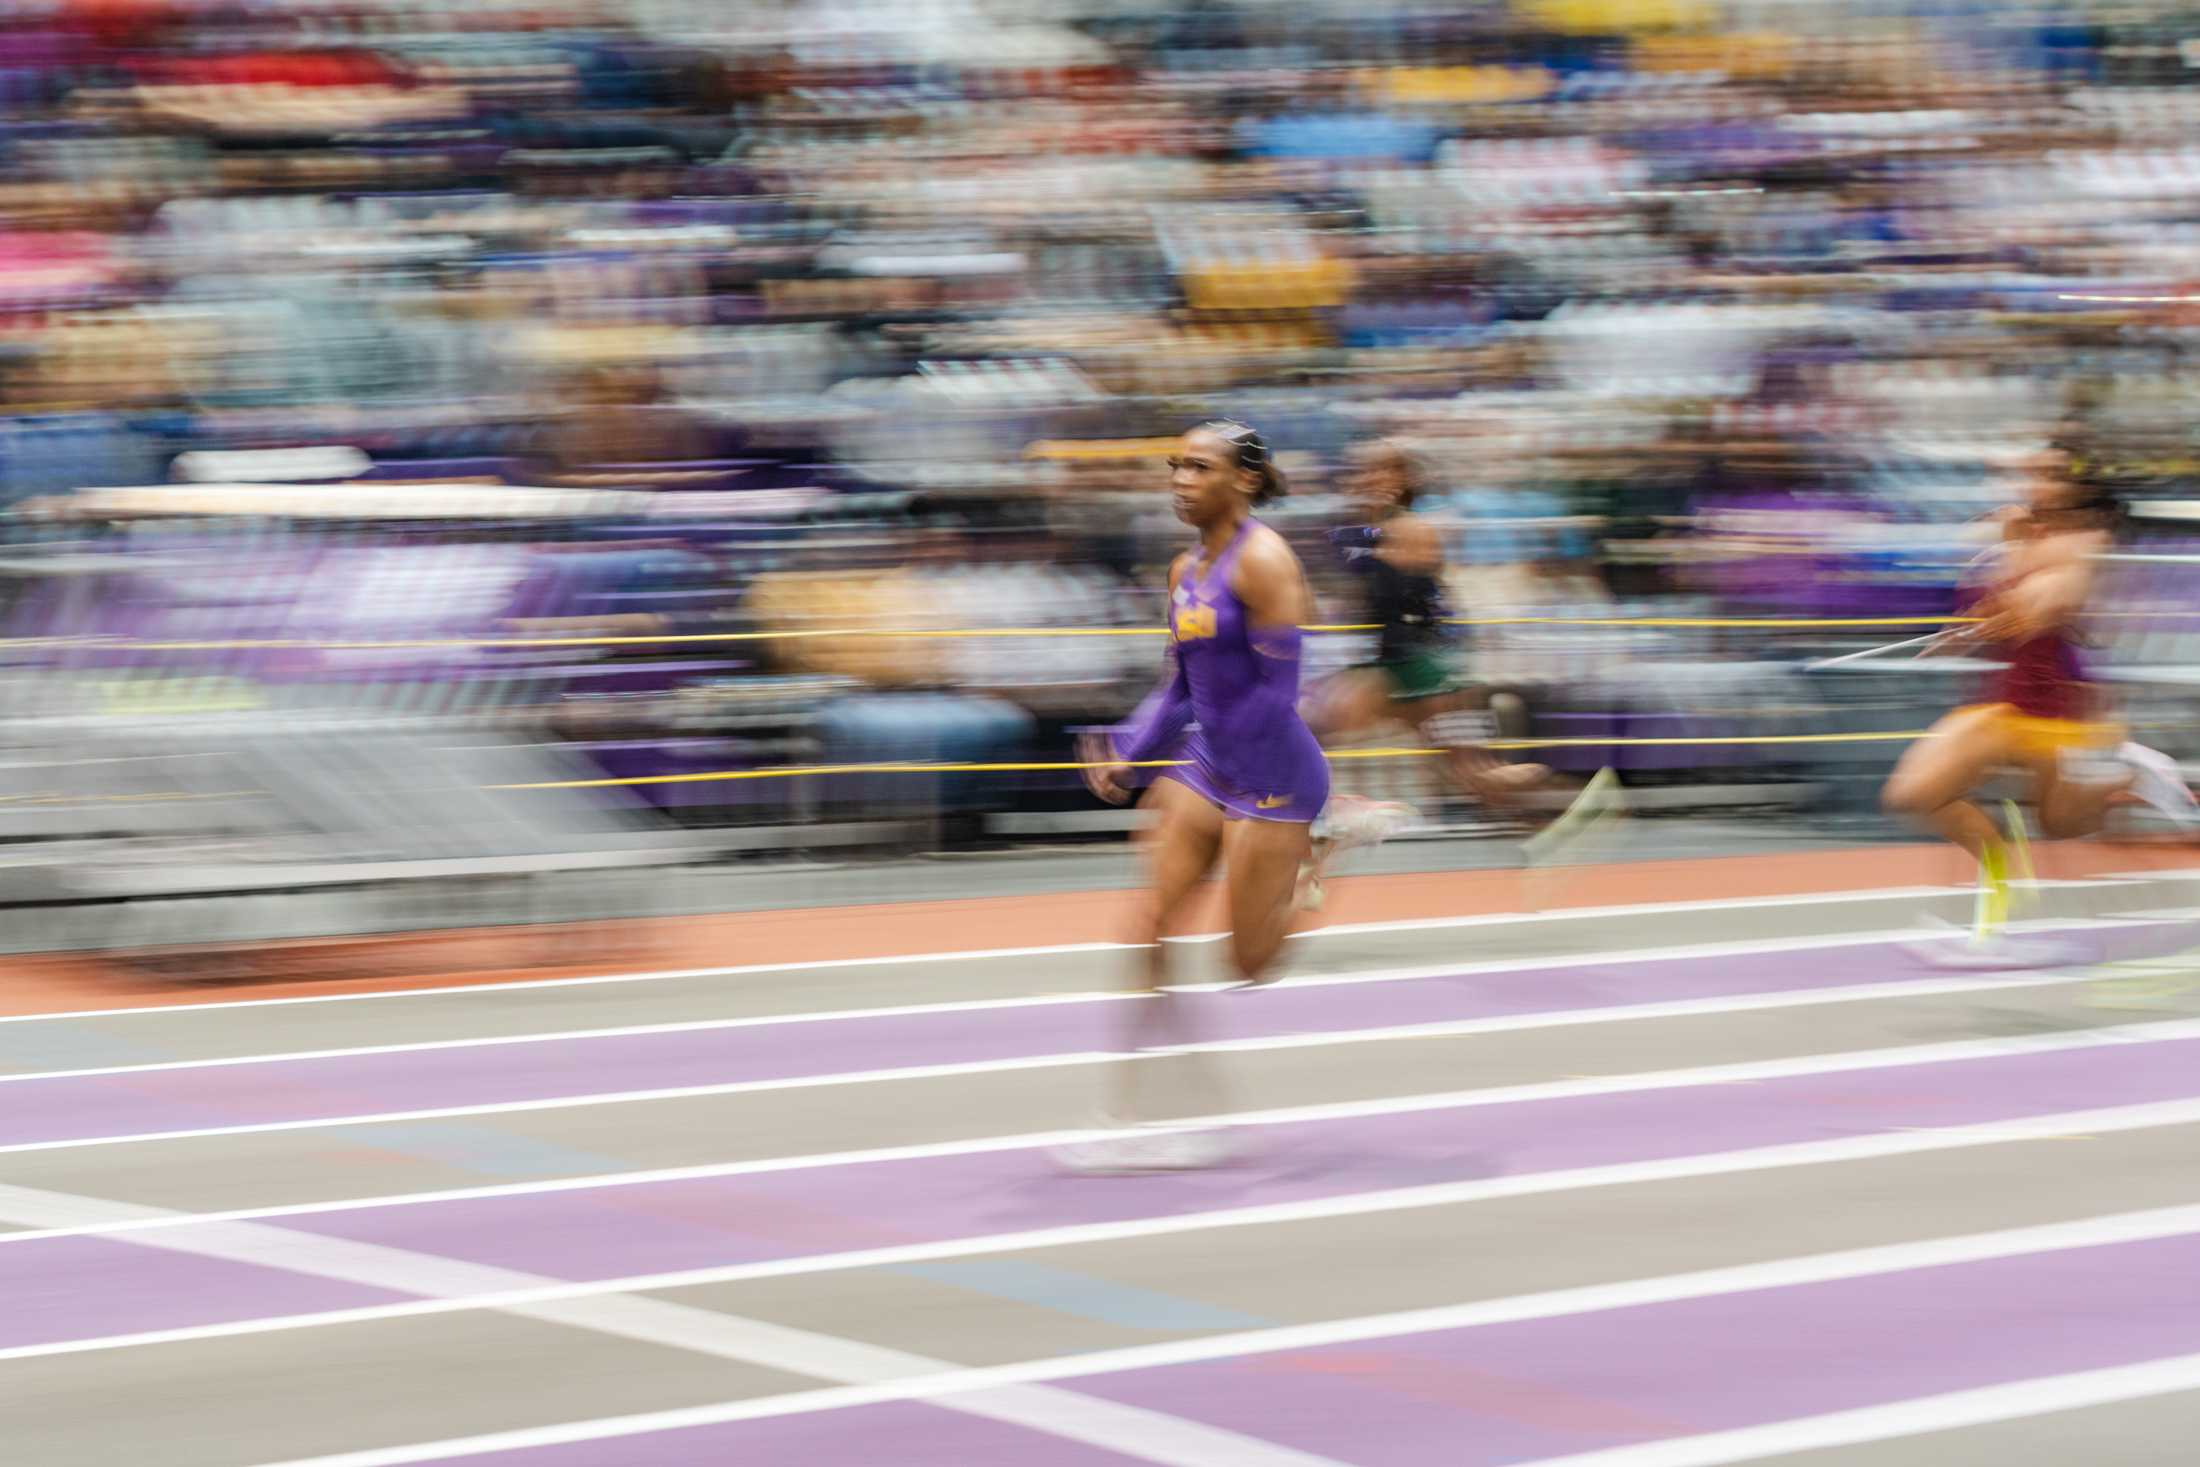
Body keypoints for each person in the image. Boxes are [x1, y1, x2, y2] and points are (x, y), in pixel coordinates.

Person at [1064, 420, 1328, 1171]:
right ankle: (1124, 1114)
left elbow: (1279, 702)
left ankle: (1326, 855)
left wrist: (1252, 802)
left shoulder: (1267, 563)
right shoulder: (1185, 569)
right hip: (1207, 763)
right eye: (1175, 465)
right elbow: (1179, 686)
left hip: (1275, 776)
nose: (1181, 478)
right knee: (1146, 924)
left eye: (1199, 467)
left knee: (1246, 964)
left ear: (1243, 479)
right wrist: (1132, 751)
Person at [1882, 454, 2194, 944]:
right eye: (2029, 473)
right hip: (2006, 707)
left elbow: (2045, 607)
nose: (2028, 482)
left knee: (2062, 823)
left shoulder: (2085, 541)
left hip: (2064, 712)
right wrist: (1959, 632)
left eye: (2046, 474)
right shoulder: (2020, 533)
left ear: (2075, 489)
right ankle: (1999, 875)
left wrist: (2014, 550)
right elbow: (1989, 607)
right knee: (1914, 793)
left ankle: (2134, 769)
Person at [1299, 439, 1607, 908]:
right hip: (1390, 666)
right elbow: (1346, 557)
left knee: (1480, 779)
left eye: (1377, 474)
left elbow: (1393, 571)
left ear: (1402, 481)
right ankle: (1320, 842)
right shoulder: (1372, 530)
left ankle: (1573, 800)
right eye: (1359, 474)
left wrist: (1354, 540)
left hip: (1429, 670)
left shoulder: (1413, 530)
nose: (1363, 482)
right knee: (1314, 728)